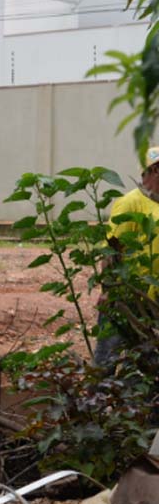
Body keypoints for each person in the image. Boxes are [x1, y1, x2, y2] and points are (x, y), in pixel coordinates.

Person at [95, 146, 159, 365]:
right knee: (108, 363)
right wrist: (109, 290)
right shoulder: (130, 202)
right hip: (127, 298)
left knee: (146, 365)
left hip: (153, 301)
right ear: (155, 170)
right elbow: (112, 249)